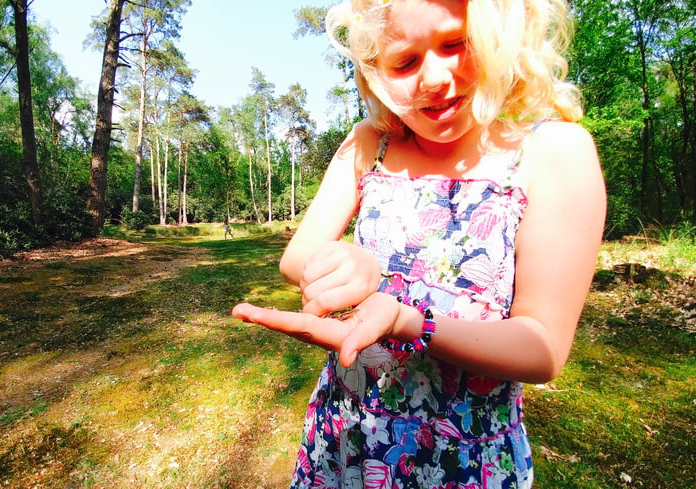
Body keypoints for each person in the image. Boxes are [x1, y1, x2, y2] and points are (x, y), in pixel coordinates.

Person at [233, 0, 605, 487]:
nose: (432, 79)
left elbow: (542, 347)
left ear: (503, 38)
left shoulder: (554, 152)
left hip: (462, 460)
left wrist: (410, 320)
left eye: (457, 45)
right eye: (405, 62)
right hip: (345, 439)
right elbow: (297, 257)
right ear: (376, 73)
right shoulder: (372, 142)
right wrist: (350, 264)